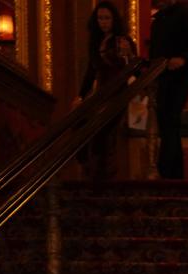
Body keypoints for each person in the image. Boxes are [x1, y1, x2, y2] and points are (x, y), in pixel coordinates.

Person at [73, 2, 137, 180]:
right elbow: (91, 71)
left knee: (102, 132)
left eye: (107, 18)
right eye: (100, 18)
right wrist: (80, 95)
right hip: (100, 92)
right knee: (81, 126)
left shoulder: (122, 40)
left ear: (114, 19)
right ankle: (89, 172)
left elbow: (132, 67)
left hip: (117, 92)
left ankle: (103, 177)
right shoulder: (95, 41)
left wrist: (126, 57)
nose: (103, 22)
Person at [148, 0, 188, 179]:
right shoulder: (157, 20)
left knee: (170, 121)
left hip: (179, 77)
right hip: (162, 78)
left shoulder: (184, 15)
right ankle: (174, 174)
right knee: (167, 125)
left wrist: (182, 59)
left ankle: (167, 173)